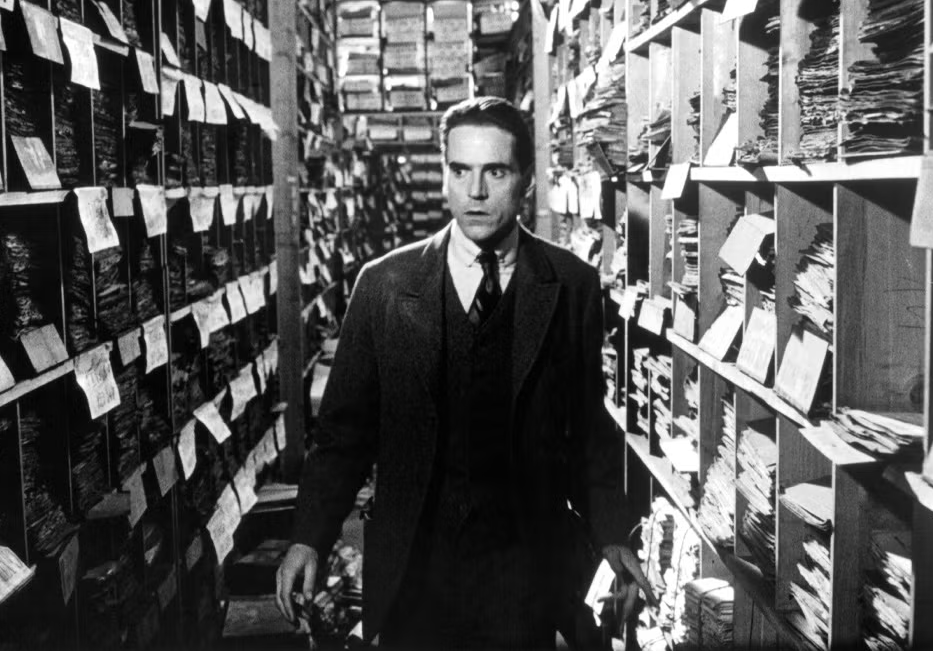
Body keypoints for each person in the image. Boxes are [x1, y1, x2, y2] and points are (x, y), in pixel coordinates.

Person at [276, 97, 653, 649]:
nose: (475, 192)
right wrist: (308, 537)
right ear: (446, 176)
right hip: (414, 571)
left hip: (524, 571)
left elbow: (589, 430)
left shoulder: (571, 284)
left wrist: (613, 535)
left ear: (526, 180)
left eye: (495, 172)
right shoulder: (384, 285)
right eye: (460, 171)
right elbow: (342, 434)